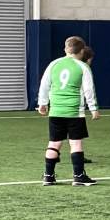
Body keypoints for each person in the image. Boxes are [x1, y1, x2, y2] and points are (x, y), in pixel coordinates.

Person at [37, 36, 99, 186]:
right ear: (82, 51)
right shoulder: (83, 67)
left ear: (65, 49)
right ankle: (78, 176)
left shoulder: (54, 64)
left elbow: (44, 85)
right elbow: (89, 90)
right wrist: (93, 108)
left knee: (54, 143)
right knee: (75, 143)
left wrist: (42, 104)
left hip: (56, 111)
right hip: (74, 112)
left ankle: (48, 176)